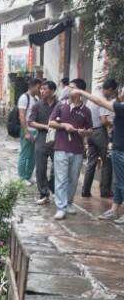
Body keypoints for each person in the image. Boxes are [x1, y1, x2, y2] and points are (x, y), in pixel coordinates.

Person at [73, 82, 124, 224]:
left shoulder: (121, 107)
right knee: (119, 181)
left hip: (120, 149)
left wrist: (82, 93)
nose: (120, 90)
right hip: (113, 144)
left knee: (121, 181)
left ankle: (112, 207)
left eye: (122, 89)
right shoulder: (119, 106)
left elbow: (100, 102)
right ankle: (114, 210)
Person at [48, 78, 93, 220]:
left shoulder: (85, 111)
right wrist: (64, 126)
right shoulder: (61, 105)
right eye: (69, 88)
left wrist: (85, 132)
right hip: (60, 147)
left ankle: (68, 202)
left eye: (72, 88)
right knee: (61, 178)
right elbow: (51, 122)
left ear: (80, 91)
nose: (69, 90)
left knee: (73, 179)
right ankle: (61, 207)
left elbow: (90, 128)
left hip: (78, 149)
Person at [81, 79, 117, 198]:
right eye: (112, 92)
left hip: (90, 132)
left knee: (91, 162)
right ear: (110, 89)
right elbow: (103, 120)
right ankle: (105, 190)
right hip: (100, 133)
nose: (111, 95)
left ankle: (85, 190)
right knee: (107, 161)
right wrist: (111, 123)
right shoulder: (102, 100)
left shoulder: (93, 97)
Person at [28, 80, 58, 205]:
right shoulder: (37, 105)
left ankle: (52, 186)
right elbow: (31, 122)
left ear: (52, 90)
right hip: (41, 138)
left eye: (44, 89)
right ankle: (43, 192)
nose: (41, 91)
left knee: (58, 167)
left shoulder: (60, 105)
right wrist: (45, 126)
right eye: (40, 89)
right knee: (40, 167)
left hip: (57, 139)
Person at [17, 77, 42, 181]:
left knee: (33, 156)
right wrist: (26, 132)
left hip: (35, 130)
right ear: (31, 87)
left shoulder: (36, 99)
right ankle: (22, 178)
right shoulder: (24, 98)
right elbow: (22, 116)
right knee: (25, 154)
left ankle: (28, 176)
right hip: (27, 130)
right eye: (38, 87)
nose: (40, 90)